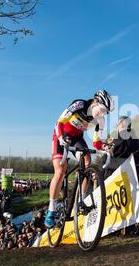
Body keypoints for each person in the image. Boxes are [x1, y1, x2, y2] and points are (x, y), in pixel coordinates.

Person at [45, 90, 115, 228]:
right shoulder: (79, 105)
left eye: (105, 112)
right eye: (101, 110)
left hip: (77, 139)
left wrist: (105, 147)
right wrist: (60, 138)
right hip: (62, 134)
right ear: (95, 102)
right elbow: (59, 122)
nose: (102, 114)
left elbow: (96, 142)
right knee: (60, 170)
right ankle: (51, 210)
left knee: (87, 161)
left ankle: (80, 200)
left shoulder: (100, 120)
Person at [101, 116, 139, 180]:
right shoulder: (136, 141)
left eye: (118, 124)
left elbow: (107, 157)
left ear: (122, 124)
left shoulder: (120, 137)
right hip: (134, 179)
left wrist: (109, 145)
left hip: (118, 180)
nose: (117, 127)